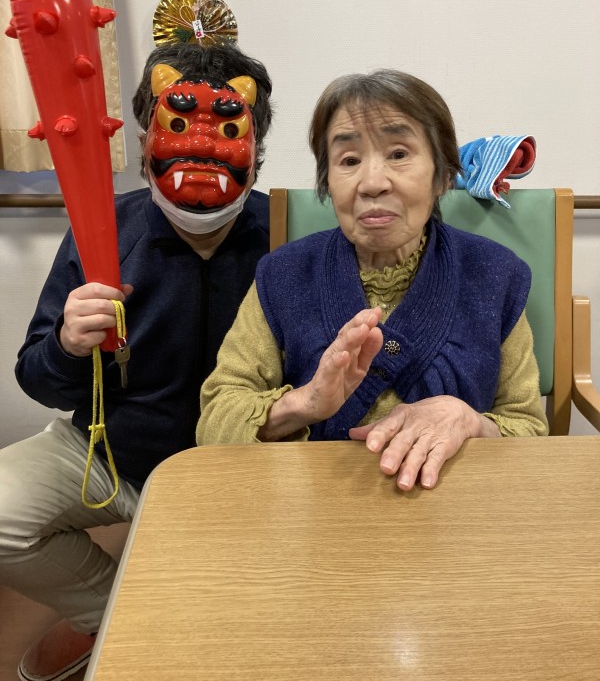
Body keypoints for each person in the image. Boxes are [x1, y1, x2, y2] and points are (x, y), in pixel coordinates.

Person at [0, 40, 273, 681]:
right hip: (111, 457)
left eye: (226, 132)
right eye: (175, 127)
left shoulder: (289, 236)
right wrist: (67, 345)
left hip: (241, 475)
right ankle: (113, 607)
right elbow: (35, 375)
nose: (199, 150)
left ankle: (187, 609)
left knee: (245, 618)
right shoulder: (104, 230)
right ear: (148, 139)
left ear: (256, 147)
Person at [198, 69, 548, 486]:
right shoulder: (283, 275)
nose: (372, 183)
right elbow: (215, 421)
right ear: (328, 183)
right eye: (349, 160)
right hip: (316, 503)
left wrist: (469, 421)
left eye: (399, 154)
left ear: (442, 175)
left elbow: (528, 428)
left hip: (457, 505)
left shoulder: (494, 274)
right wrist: (305, 403)